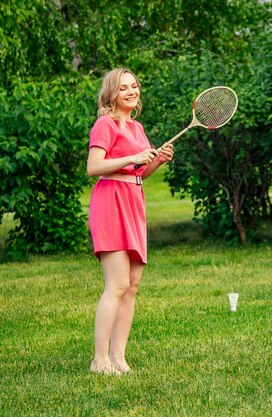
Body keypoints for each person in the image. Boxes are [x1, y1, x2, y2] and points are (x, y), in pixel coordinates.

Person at [87, 68, 174, 375]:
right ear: (112, 93)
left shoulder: (136, 127)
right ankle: (99, 360)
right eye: (123, 87)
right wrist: (131, 159)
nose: (131, 91)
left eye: (134, 86)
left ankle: (118, 357)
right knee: (117, 284)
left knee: (132, 285)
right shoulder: (105, 124)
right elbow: (94, 166)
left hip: (133, 202)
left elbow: (138, 174)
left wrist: (157, 161)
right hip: (110, 203)